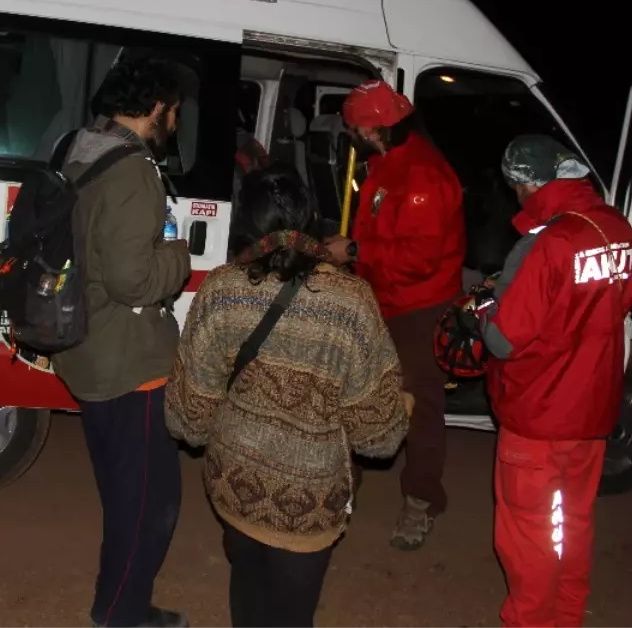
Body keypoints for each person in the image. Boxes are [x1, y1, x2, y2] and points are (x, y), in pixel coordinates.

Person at [166, 166, 410, 628]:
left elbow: (187, 420)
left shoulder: (220, 290)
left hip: (234, 486)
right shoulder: (352, 302)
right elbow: (379, 439)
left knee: (248, 594)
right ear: (311, 220)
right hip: (309, 506)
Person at [474, 135, 632, 628]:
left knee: (528, 536)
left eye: (516, 187)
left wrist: (484, 307)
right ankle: (566, 618)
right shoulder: (617, 228)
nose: (516, 197)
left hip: (540, 415)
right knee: (569, 524)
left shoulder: (547, 244)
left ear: (529, 183)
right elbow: (618, 302)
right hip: (592, 409)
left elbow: (504, 339)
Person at [54, 56, 192, 628]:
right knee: (149, 504)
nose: (177, 123)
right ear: (156, 107)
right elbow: (132, 279)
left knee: (124, 492)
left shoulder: (81, 146)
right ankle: (121, 613)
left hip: (86, 344)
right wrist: (179, 257)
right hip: (127, 359)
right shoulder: (134, 171)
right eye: (175, 111)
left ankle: (120, 602)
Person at [323, 79, 466, 550]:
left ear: (374, 128)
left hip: (420, 307)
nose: (350, 135)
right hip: (381, 299)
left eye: (353, 127)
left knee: (420, 407)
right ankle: (344, 484)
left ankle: (423, 501)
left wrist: (356, 250)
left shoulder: (423, 174)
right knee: (358, 393)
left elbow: (419, 258)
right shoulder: (387, 164)